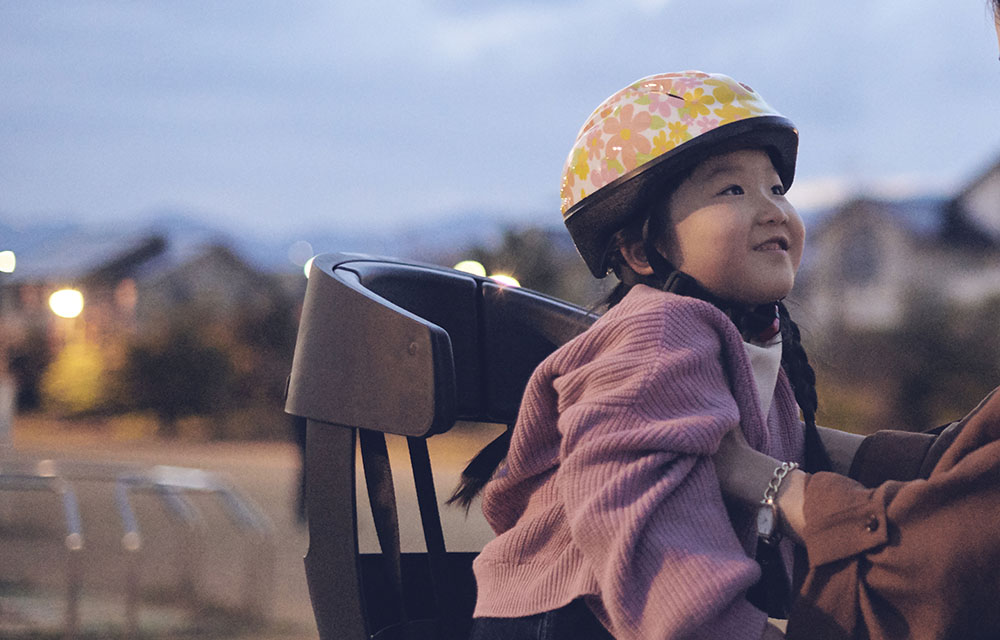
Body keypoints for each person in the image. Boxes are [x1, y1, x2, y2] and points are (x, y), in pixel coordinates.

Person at [456, 71, 822, 640]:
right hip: (573, 620)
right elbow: (652, 552)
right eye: (732, 190)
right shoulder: (656, 336)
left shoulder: (742, 339)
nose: (774, 210)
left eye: (777, 189)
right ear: (639, 250)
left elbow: (788, 457)